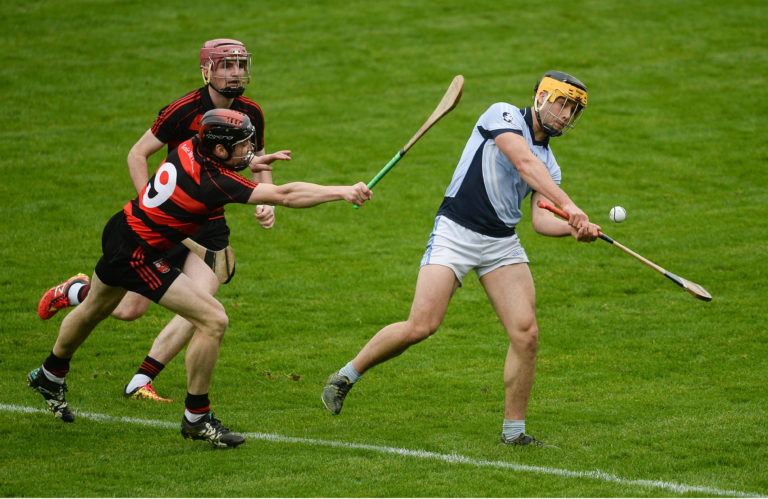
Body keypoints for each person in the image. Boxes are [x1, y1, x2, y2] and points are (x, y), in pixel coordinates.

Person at [28, 109, 372, 448]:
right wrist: (341, 191)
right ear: (220, 150)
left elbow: (230, 165)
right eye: (242, 146)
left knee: (94, 309)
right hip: (139, 253)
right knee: (213, 319)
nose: (249, 150)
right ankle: (196, 418)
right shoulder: (211, 182)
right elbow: (283, 195)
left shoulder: (192, 144)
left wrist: (248, 163)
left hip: (122, 229)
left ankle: (49, 374)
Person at [321, 71, 600, 447]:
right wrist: (571, 206)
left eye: (573, 111)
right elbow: (523, 164)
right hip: (456, 230)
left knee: (526, 334)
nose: (565, 115)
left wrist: (573, 227)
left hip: (501, 241)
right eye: (562, 103)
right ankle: (346, 376)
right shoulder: (502, 116)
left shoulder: (551, 164)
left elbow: (540, 218)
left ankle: (514, 432)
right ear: (541, 96)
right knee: (422, 325)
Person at [37, 38, 286, 403]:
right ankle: (77, 292)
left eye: (239, 65)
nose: (235, 74)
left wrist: (268, 201)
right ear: (207, 71)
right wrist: (154, 212)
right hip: (164, 222)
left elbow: (258, 158)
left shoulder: (251, 113)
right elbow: (138, 154)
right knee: (129, 310)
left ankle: (142, 378)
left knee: (203, 308)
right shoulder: (183, 110)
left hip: (210, 225)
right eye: (226, 66)